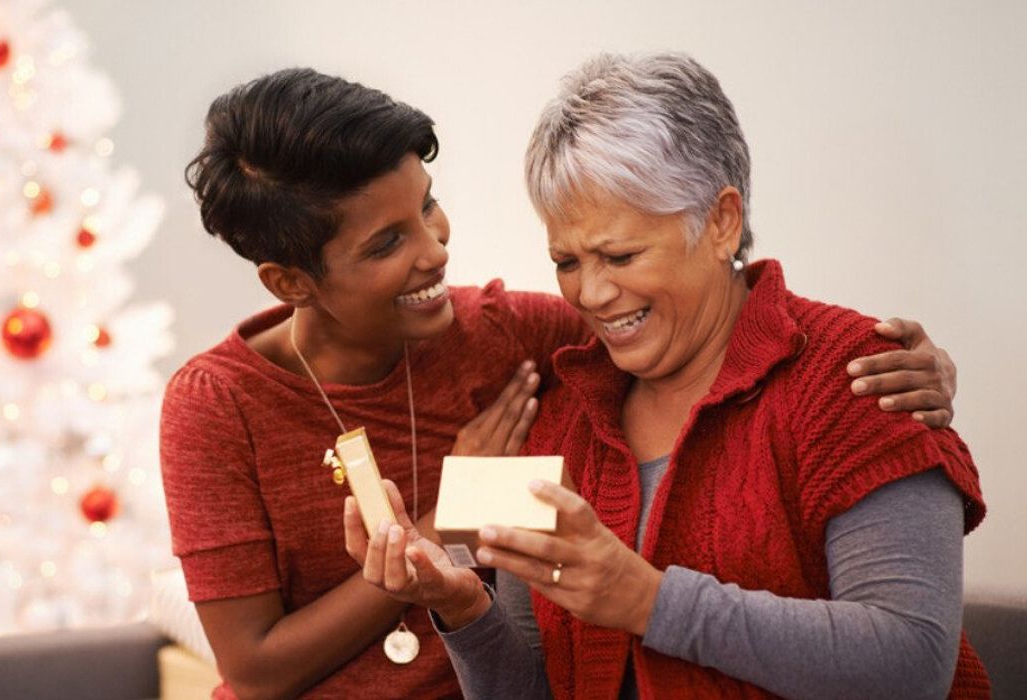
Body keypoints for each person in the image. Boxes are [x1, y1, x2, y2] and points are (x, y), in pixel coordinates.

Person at [163, 67, 963, 699]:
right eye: (567, 263)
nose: (437, 252)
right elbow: (264, 672)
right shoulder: (566, 395)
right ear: (290, 283)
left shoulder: (533, 348)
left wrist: (905, 363)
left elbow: (732, 326)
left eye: (430, 208)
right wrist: (455, 564)